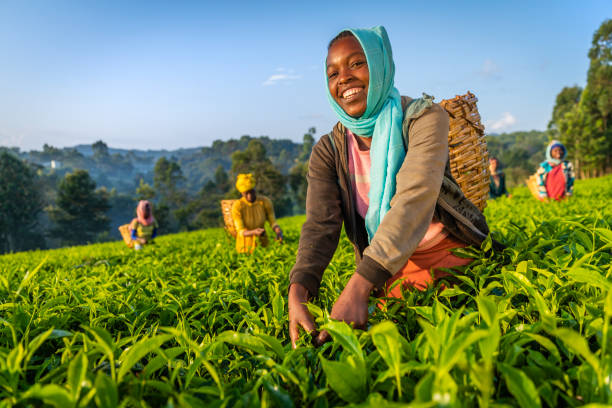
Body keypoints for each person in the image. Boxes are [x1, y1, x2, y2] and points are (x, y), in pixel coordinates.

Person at [288, 26, 497, 348]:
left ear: (381, 65)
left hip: (447, 255)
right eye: (333, 73)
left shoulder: (424, 118)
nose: (343, 78)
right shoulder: (329, 150)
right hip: (387, 269)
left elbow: (415, 197)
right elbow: (320, 225)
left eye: (357, 64)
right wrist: (300, 289)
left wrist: (360, 285)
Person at [231, 173, 283, 254]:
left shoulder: (265, 202)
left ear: (254, 190)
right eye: (246, 193)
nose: (249, 195)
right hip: (245, 248)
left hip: (263, 243)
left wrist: (278, 231)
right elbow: (240, 231)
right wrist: (254, 232)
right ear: (242, 193)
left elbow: (272, 221)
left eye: (251, 192)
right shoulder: (237, 206)